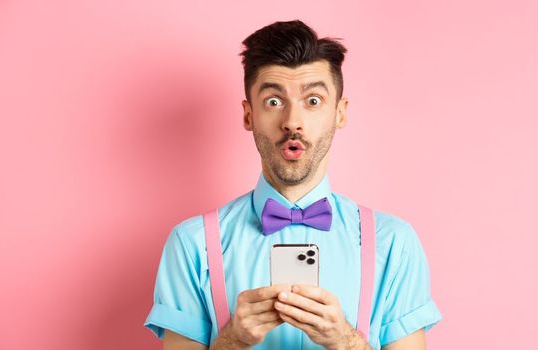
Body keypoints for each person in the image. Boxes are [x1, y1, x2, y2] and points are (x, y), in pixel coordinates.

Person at [144, 20, 441, 349]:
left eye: (313, 101)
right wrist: (233, 340)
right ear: (248, 115)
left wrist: (344, 341)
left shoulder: (394, 243)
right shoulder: (191, 244)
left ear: (339, 113)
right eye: (273, 101)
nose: (292, 122)